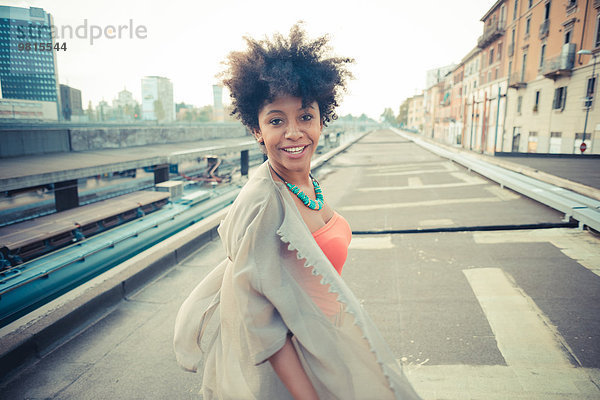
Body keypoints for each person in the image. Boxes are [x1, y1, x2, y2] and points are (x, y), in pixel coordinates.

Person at [174, 24, 421, 400]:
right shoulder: (263, 202)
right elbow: (260, 322)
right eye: (276, 121)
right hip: (293, 372)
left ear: (323, 118)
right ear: (257, 130)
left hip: (323, 345)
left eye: (305, 117)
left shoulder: (304, 182)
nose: (293, 132)